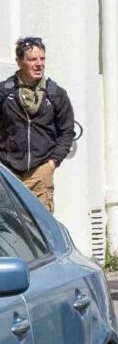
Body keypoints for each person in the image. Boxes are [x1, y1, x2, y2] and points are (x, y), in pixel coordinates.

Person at [0, 36, 76, 212]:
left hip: (40, 173)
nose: (39, 64)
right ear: (19, 62)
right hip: (8, 173)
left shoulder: (56, 94)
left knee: (41, 231)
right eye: (32, 59)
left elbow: (67, 132)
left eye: (42, 58)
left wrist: (51, 164)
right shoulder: (5, 92)